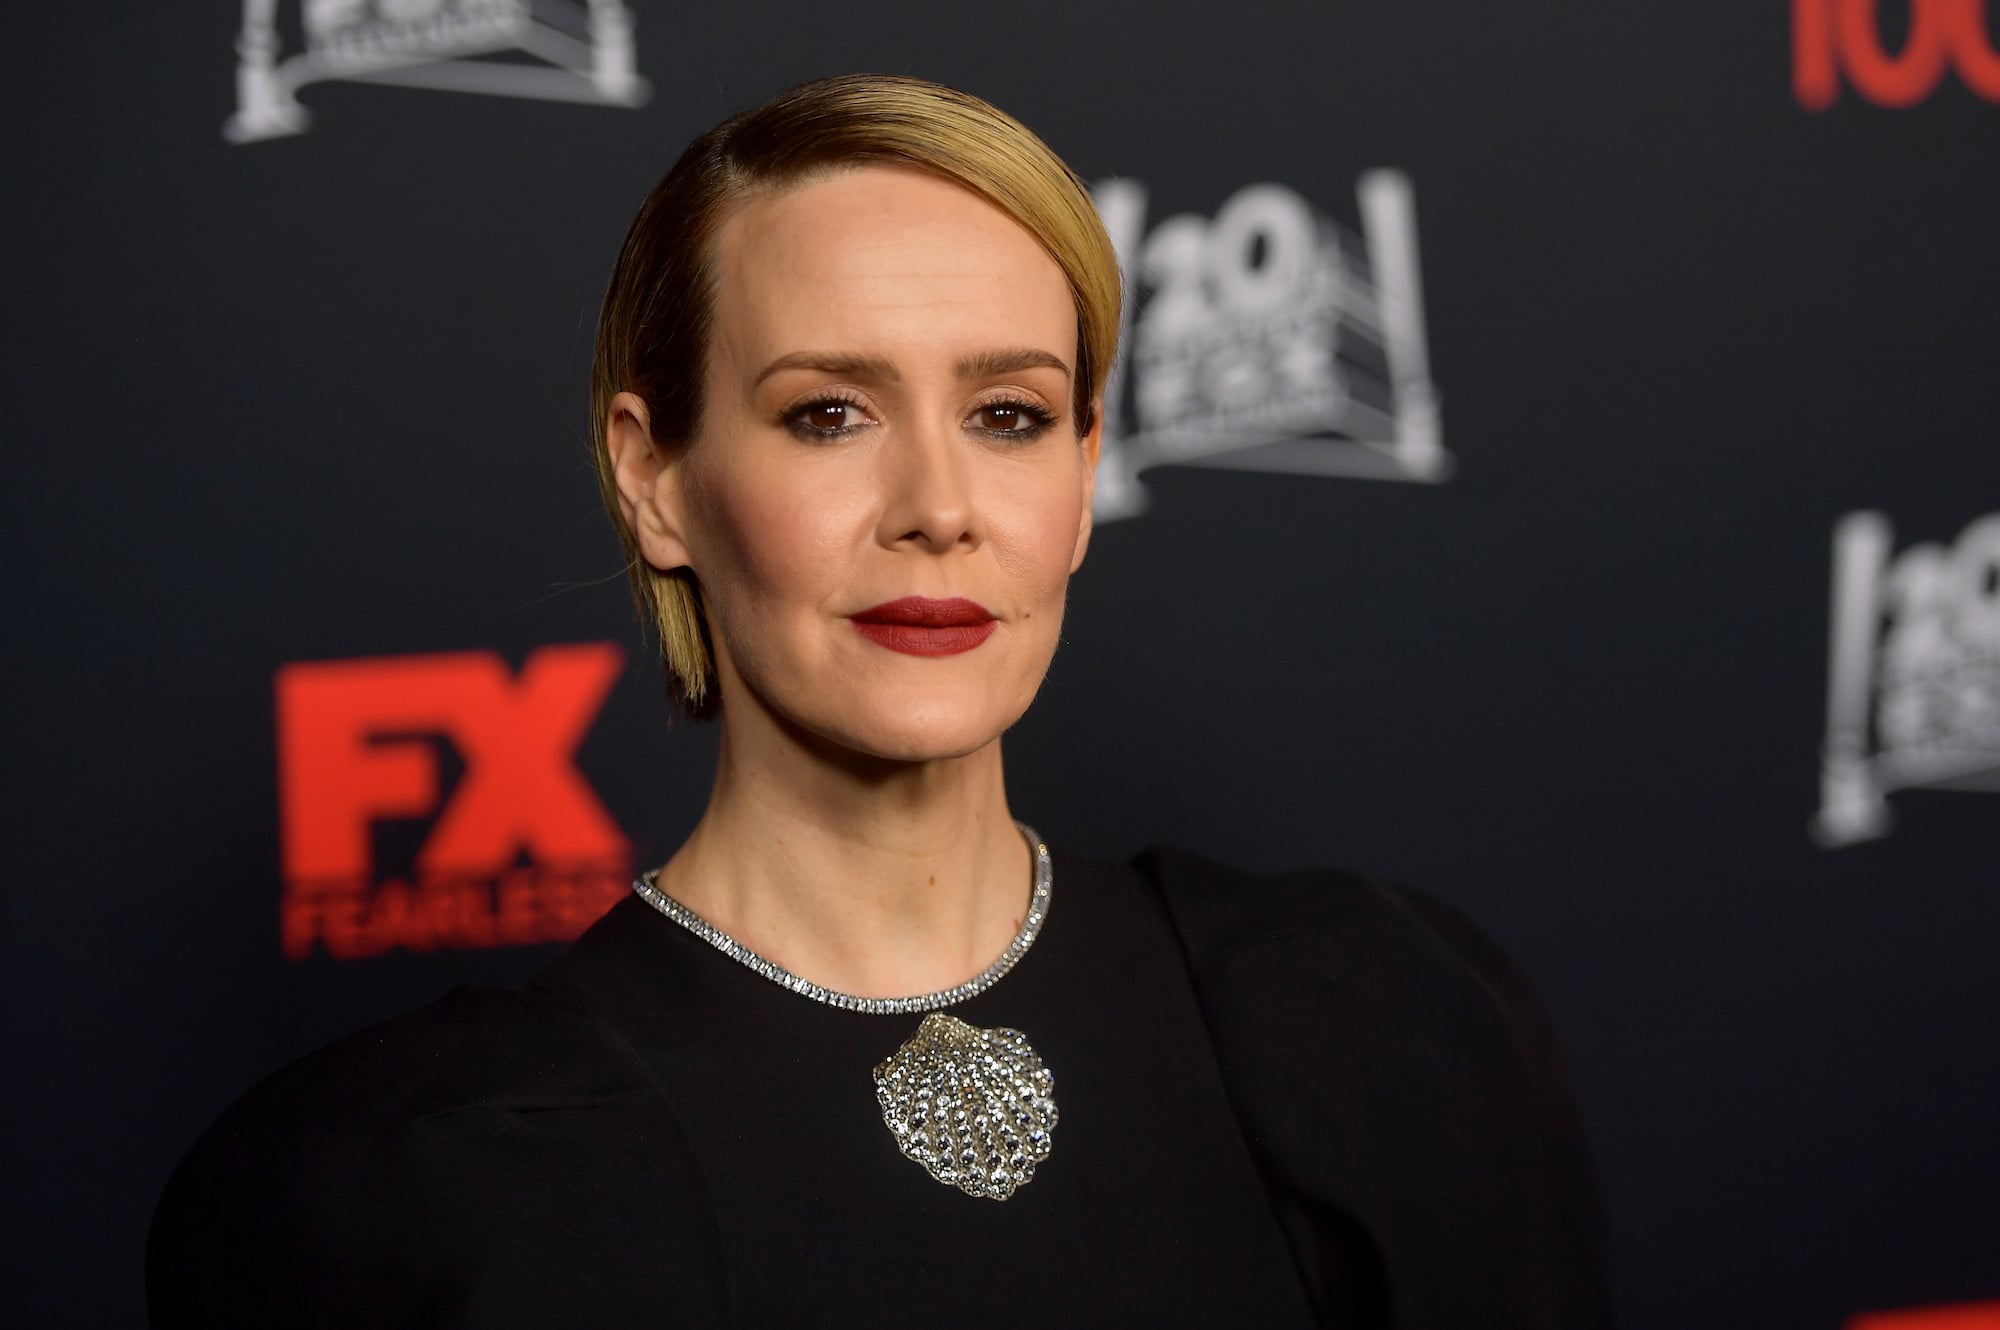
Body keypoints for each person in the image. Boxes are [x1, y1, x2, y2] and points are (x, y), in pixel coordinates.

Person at [147, 73, 1614, 1328]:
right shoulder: (405, 1193)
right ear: (654, 478)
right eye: (829, 414)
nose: (938, 506)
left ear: (1083, 471)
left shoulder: (1376, 1020)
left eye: (1008, 416)